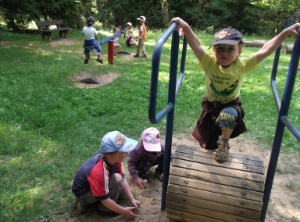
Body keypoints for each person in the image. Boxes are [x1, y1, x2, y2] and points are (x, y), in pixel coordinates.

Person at [170, 17, 300, 163]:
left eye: (230, 48)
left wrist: (285, 33)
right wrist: (185, 26)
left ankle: (224, 143)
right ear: (214, 51)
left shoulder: (242, 65)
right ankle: (214, 148)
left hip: (230, 105)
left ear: (239, 51)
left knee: (228, 116)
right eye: (220, 49)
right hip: (210, 106)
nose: (224, 53)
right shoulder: (209, 63)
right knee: (208, 145)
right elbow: (196, 45)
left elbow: (266, 49)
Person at [72, 131, 141, 219]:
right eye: (123, 152)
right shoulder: (99, 171)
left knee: (117, 177)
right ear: (112, 155)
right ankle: (103, 210)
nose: (127, 154)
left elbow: (121, 179)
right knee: (115, 181)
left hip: (96, 184)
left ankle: (106, 197)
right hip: (84, 193)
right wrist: (123, 211)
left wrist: (132, 199)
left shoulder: (115, 160)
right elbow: (105, 200)